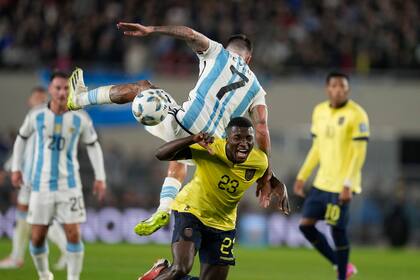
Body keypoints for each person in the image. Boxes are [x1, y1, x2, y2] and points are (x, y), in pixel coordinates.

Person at [66, 22, 272, 235]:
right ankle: (163, 209)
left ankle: (79, 98)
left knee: (143, 88)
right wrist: (266, 174)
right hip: (211, 147)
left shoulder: (217, 52)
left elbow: (189, 34)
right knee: (181, 155)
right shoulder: (257, 89)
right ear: (249, 59)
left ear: (228, 48)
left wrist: (151, 30)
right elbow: (262, 129)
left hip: (182, 124)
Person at [138, 117, 289, 280]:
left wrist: (281, 187)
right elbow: (161, 154)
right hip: (191, 212)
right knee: (180, 268)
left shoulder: (259, 160)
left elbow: (269, 175)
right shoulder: (210, 148)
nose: (244, 143)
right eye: (237, 138)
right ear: (227, 139)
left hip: (223, 225)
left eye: (248, 138)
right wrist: (192, 139)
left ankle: (159, 273)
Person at [10, 71, 107, 280]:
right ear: (50, 90)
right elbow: (21, 138)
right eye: (58, 88)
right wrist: (16, 168)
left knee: (73, 233)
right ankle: (45, 275)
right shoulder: (36, 115)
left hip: (69, 185)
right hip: (40, 186)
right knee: (36, 238)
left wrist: (101, 177)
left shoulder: (80, 117)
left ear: (70, 90)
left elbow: (93, 145)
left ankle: (73, 278)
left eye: (66, 88)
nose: (62, 92)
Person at [293, 72, 369, 280]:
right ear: (328, 88)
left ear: (348, 89)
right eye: (334, 85)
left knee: (337, 230)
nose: (338, 89)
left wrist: (348, 184)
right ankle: (341, 265)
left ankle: (342, 275)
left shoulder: (357, 114)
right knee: (305, 226)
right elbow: (317, 148)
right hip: (321, 183)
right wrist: (302, 176)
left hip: (341, 186)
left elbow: (358, 153)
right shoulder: (319, 111)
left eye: (342, 86)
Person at [0, 87, 68, 270]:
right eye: (36, 97)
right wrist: (10, 168)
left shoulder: (44, 114)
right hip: (30, 174)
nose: (38, 100)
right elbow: (23, 145)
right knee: (28, 214)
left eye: (41, 97)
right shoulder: (36, 115)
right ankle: (16, 256)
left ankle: (68, 251)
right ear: (29, 100)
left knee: (39, 215)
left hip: (38, 175)